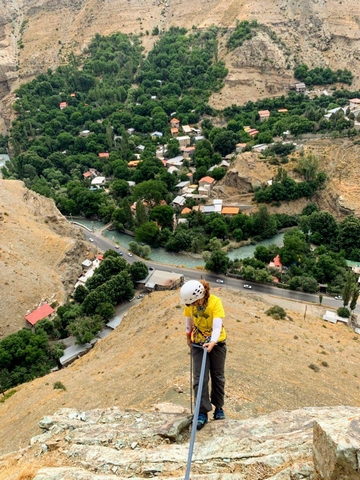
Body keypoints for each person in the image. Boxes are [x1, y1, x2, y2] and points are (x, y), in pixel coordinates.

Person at [180, 279, 227, 430]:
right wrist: (188, 337)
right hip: (198, 343)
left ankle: (218, 408)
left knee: (218, 376)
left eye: (192, 303)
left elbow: (217, 325)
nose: (191, 306)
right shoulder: (191, 304)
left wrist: (213, 342)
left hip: (217, 343)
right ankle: (202, 412)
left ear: (200, 297)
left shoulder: (215, 302)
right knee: (200, 379)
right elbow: (189, 322)